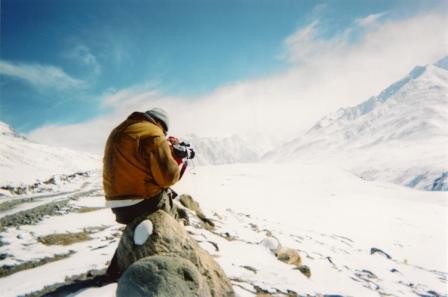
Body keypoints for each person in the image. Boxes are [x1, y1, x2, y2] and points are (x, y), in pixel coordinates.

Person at [103, 108, 187, 224]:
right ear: (159, 123)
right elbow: (168, 178)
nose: (164, 135)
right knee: (180, 216)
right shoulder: (154, 133)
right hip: (142, 203)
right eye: (164, 132)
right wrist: (177, 159)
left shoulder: (119, 129)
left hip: (115, 205)